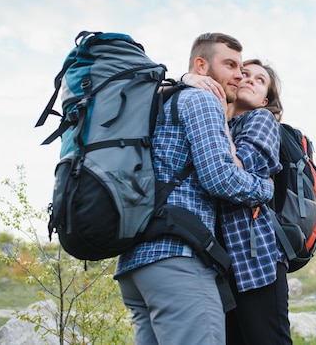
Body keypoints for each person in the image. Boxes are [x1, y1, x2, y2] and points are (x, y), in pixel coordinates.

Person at [114, 33, 274, 345]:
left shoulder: (161, 100)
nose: (239, 74)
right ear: (201, 65)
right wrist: (266, 188)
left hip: (136, 264)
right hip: (177, 259)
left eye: (241, 67)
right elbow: (220, 177)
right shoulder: (202, 99)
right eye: (230, 64)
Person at [184, 59, 292, 345]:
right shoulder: (211, 116)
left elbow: (237, 169)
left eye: (259, 80)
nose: (248, 80)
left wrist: (219, 117)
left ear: (265, 99)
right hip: (217, 261)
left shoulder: (261, 119)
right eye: (244, 74)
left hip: (254, 261)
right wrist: (188, 78)